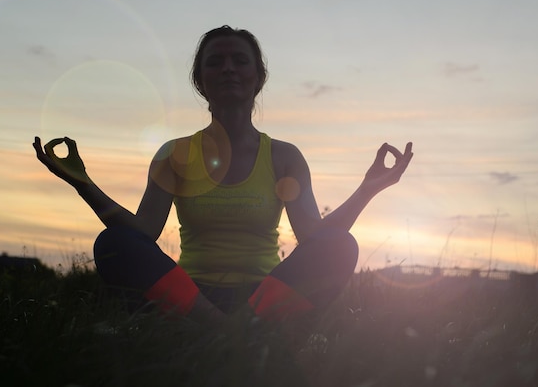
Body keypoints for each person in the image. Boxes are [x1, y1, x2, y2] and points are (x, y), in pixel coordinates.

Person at [33, 25, 413, 322]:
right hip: (190, 294)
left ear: (258, 77)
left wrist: (368, 189)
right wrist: (83, 184)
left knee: (341, 245)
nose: (228, 67)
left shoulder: (284, 157)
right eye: (215, 61)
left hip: (266, 295)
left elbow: (315, 237)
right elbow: (143, 234)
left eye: (239, 60)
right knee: (113, 242)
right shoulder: (175, 155)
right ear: (200, 81)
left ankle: (232, 326)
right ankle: (230, 330)